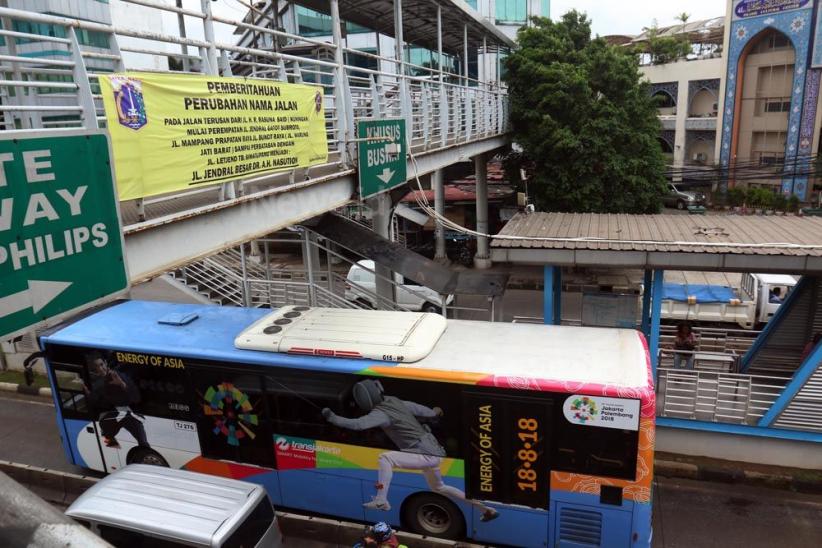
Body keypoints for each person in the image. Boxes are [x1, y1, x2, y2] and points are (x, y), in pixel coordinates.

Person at [322, 379, 499, 522]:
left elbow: (358, 424)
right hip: (434, 450)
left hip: (424, 454)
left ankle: (381, 499)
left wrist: (333, 418)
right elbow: (423, 410)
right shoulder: (396, 401)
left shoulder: (380, 414)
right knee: (439, 487)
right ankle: (487, 509)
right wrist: (434, 412)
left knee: (385, 458)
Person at [83, 352, 149, 449]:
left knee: (142, 441)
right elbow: (99, 403)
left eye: (101, 365)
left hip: (128, 414)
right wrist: (89, 395)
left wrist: (122, 384)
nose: (101, 369)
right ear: (94, 370)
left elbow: (136, 397)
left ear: (105, 363)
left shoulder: (119, 376)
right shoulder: (97, 385)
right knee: (108, 434)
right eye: (97, 367)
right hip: (111, 416)